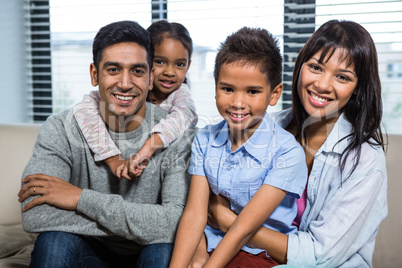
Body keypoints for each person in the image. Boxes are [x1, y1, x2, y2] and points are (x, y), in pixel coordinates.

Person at [206, 20, 387, 267]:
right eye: (315, 67)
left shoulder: (365, 160)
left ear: (357, 89)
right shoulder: (269, 126)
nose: (322, 85)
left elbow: (319, 255)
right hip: (250, 255)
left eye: (342, 77)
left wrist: (229, 223)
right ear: (300, 67)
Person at [17, 20, 195, 268]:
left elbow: (176, 222)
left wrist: (79, 198)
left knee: (165, 250)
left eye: (137, 71)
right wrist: (141, 224)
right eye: (113, 70)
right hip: (88, 249)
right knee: (53, 243)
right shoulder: (60, 127)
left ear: (150, 77)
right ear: (94, 74)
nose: (125, 83)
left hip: (149, 253)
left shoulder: (176, 133)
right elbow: (35, 214)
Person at [169, 27, 308, 268]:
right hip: (212, 241)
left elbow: (243, 229)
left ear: (274, 94)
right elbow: (194, 214)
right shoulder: (204, 140)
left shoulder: (287, 152)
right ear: (215, 88)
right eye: (228, 89)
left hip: (258, 252)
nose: (237, 102)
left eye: (252, 91)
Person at [73, 20, 197, 180]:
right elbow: (84, 110)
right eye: (160, 62)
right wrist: (113, 159)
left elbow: (184, 116)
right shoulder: (127, 90)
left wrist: (148, 148)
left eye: (179, 64)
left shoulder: (181, 94)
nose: (170, 72)